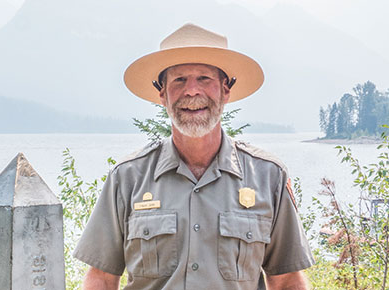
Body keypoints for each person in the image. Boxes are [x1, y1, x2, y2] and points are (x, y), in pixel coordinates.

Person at [73, 23, 314, 289]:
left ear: (225, 89)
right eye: (179, 80)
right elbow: (101, 278)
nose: (191, 91)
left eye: (204, 78)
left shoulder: (268, 177)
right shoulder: (127, 178)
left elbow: (287, 280)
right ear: (162, 94)